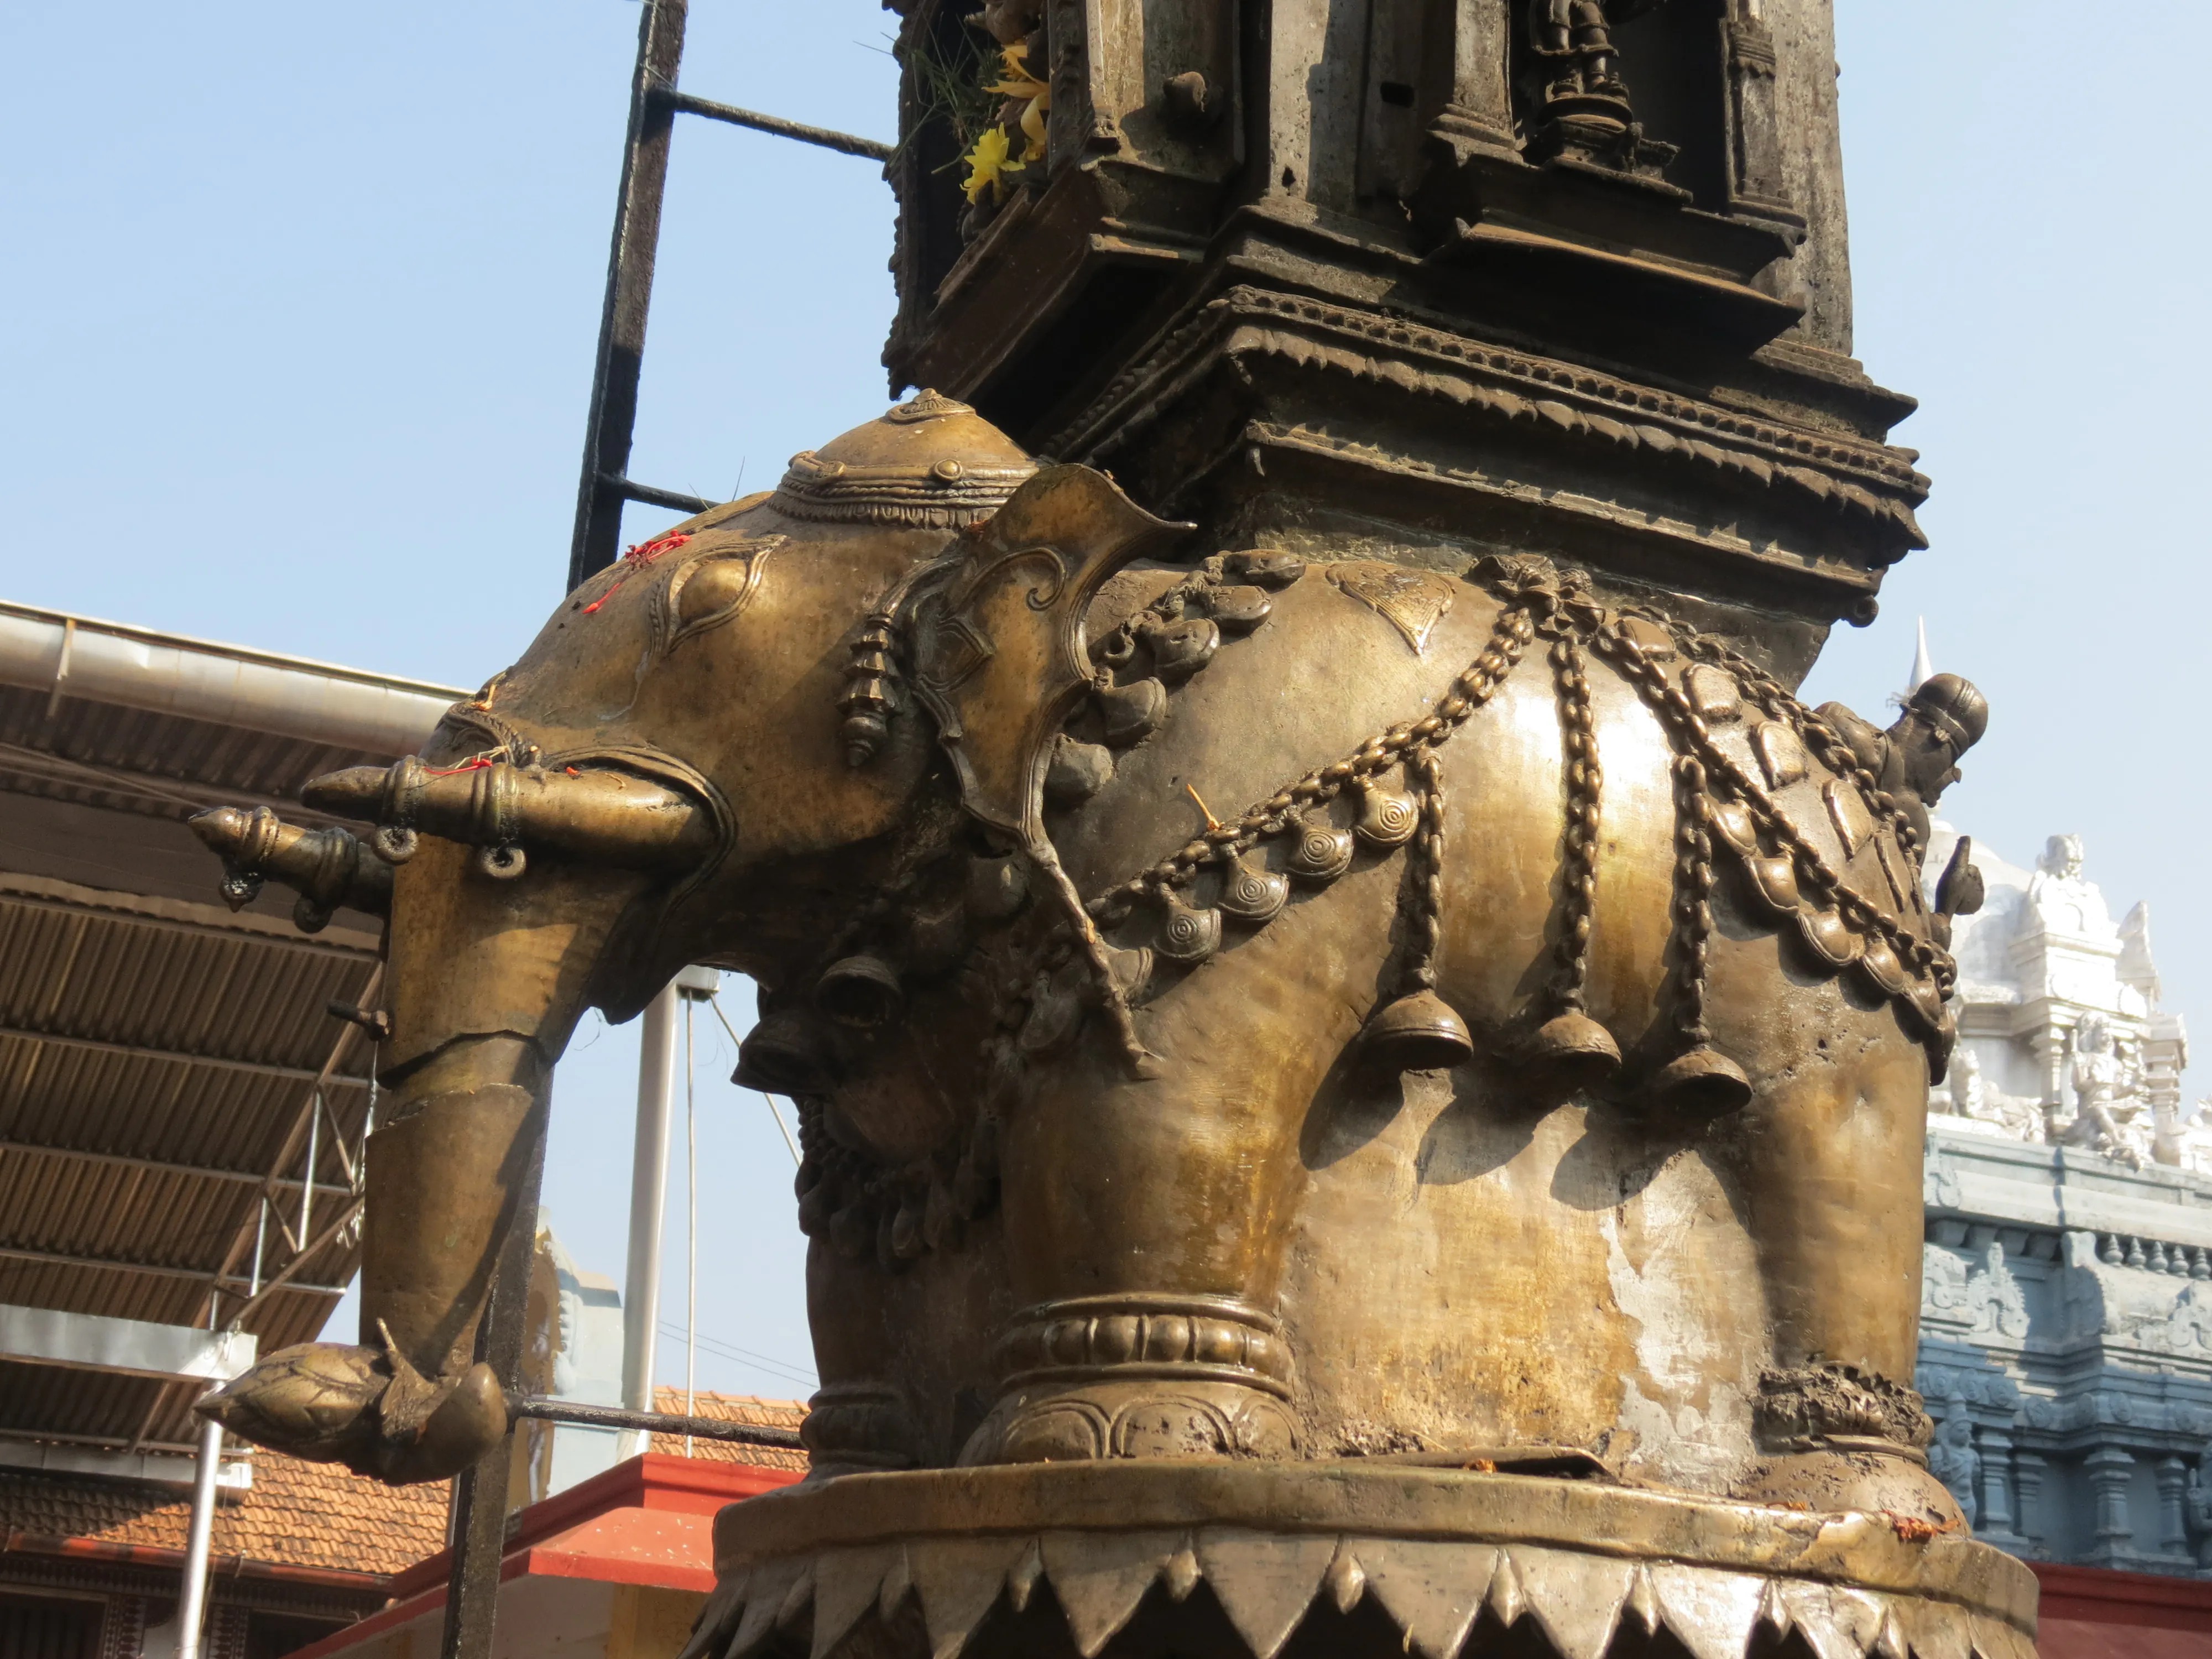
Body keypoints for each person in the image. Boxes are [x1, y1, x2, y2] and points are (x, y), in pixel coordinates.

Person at [1816, 671, 1989, 848]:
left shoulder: (1914, 826)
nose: (1949, 777)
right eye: (1952, 762)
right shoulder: (1845, 727)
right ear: (1941, 736)